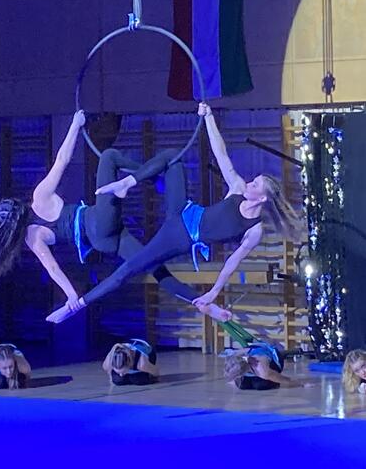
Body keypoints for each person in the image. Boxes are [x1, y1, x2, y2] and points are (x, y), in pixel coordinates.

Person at [46, 103, 301, 324]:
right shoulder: (237, 188)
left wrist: (213, 292)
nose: (250, 183)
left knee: (131, 269)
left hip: (179, 236)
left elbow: (231, 263)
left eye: (255, 185)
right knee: (172, 157)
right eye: (253, 180)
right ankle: (127, 182)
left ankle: (75, 307)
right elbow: (221, 153)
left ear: (263, 198)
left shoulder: (254, 230)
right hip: (182, 209)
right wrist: (209, 118)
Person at [0, 111, 203, 313]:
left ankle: (198, 301)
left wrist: (71, 296)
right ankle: (151, 176)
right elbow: (62, 160)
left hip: (103, 242)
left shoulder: (32, 238)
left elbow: (53, 268)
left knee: (150, 263)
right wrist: (75, 124)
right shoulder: (39, 197)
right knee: (109, 156)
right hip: (98, 221)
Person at [223, 342, 303, 390]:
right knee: (242, 385)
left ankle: (285, 353)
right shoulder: (235, 357)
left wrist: (300, 384)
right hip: (254, 351)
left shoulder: (262, 369)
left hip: (273, 359)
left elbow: (284, 379)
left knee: (261, 385)